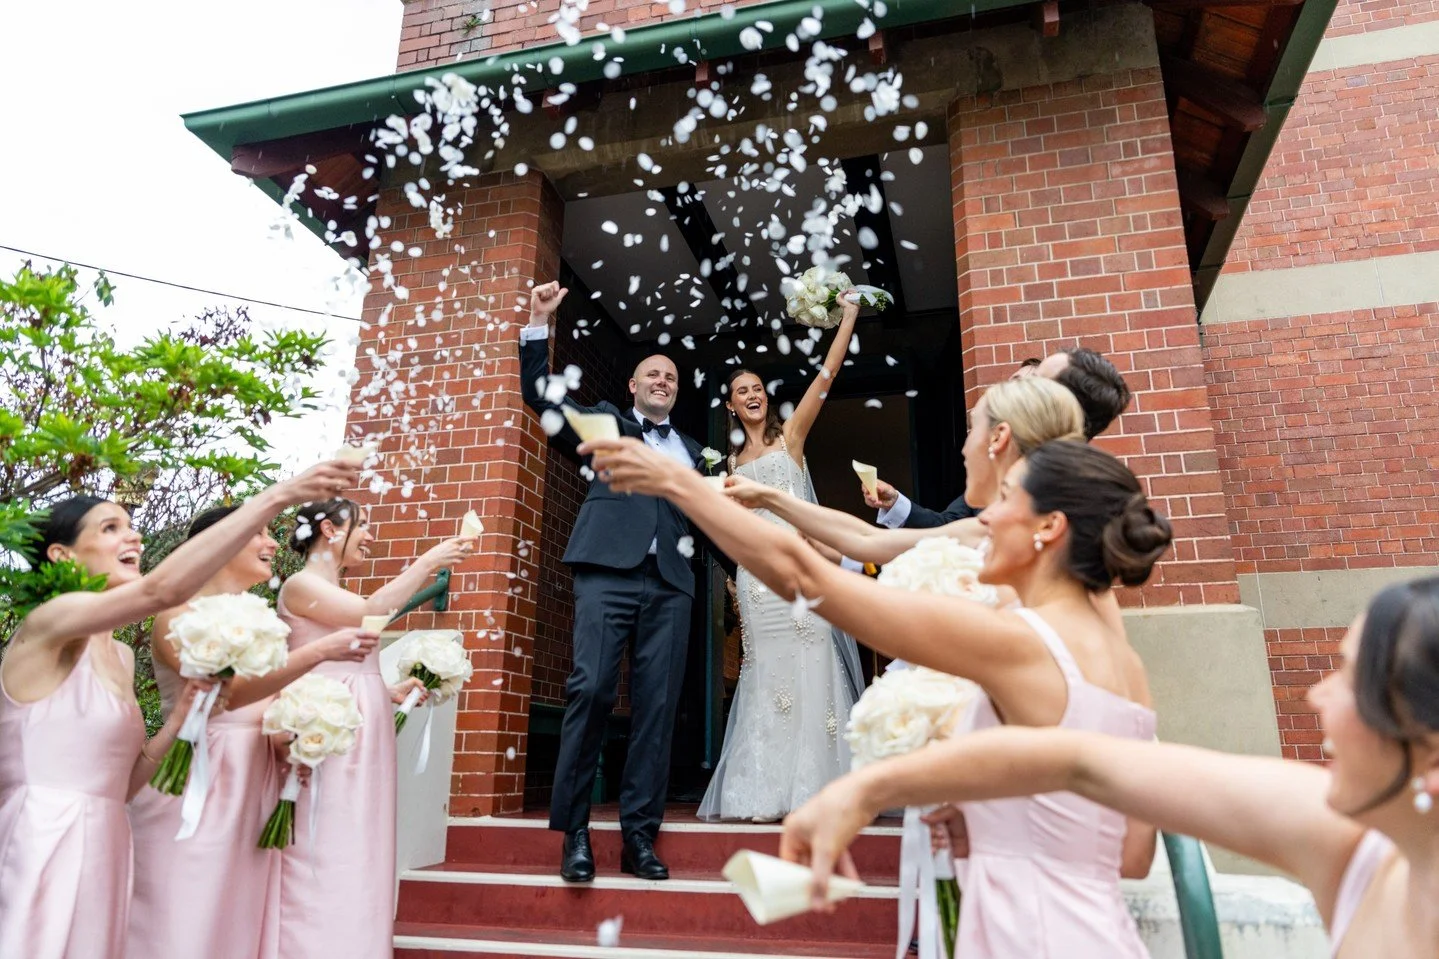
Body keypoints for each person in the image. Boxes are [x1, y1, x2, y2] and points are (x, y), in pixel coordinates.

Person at [581, 435, 1172, 958]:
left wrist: (681, 487)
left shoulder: (1015, 646)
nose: (983, 518)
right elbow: (1134, 856)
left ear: (1049, 527)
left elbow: (809, 579)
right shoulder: (1120, 658)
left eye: (1007, 499)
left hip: (1029, 935)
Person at [783, 578, 1439, 959]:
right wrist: (869, 786)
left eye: (1350, 679)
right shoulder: (1348, 843)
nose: (1315, 694)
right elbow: (1077, 759)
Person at [0, 460, 356, 958]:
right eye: (110, 528)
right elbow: (160, 591)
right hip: (44, 835)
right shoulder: (49, 623)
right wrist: (280, 496)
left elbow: (127, 779)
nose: (135, 538)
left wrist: (181, 715)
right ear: (62, 553)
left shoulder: (120, 655)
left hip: (108, 836)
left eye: (131, 526)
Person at [518, 280, 721, 882]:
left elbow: (716, 523)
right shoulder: (606, 425)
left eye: (673, 379)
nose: (664, 382)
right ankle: (575, 833)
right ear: (633, 386)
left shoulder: (693, 451)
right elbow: (544, 401)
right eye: (653, 375)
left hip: (671, 586)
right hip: (607, 573)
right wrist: (537, 325)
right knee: (592, 689)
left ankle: (640, 836)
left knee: (657, 709)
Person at [126, 505, 379, 959]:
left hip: (256, 776)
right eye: (259, 534)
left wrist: (291, 732)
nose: (273, 544)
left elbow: (266, 701)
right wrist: (318, 651)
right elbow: (227, 696)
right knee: (184, 916)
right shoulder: (176, 616)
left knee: (238, 922)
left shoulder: (260, 618)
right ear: (220, 544)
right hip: (199, 775)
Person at [274, 498, 470, 959]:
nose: (370, 535)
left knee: (360, 844)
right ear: (328, 529)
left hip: (361, 731)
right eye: (362, 525)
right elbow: (370, 611)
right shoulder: (301, 584)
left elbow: (343, 658)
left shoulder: (331, 588)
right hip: (325, 734)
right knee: (329, 843)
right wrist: (429, 561)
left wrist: (386, 689)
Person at [701, 290, 864, 822]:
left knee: (813, 664)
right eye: (740, 391)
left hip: (797, 574)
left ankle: (816, 789)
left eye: (757, 389)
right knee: (765, 672)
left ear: (766, 400)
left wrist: (850, 314)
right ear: (730, 405)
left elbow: (827, 375)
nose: (751, 395)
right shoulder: (724, 462)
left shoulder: (790, 440)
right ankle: (763, 790)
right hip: (754, 583)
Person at [863, 348, 1129, 530]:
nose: (966, 450)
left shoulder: (1070, 494)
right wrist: (896, 503)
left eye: (1031, 384)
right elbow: (950, 529)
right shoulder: (1003, 472)